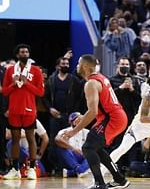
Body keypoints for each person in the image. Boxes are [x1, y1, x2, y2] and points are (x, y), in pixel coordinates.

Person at [62, 55, 129, 189]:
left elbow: (92, 112)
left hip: (112, 118)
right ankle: (119, 179)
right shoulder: (101, 78)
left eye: (79, 63)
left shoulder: (91, 83)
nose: (77, 66)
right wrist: (83, 116)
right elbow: (98, 107)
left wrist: (73, 132)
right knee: (95, 148)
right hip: (116, 116)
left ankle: (100, 185)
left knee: (87, 147)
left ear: (86, 66)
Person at [2, 44, 45, 180]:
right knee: (15, 139)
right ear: (17, 55)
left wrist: (27, 83)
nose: (25, 54)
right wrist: (12, 84)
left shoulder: (36, 70)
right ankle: (15, 169)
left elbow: (41, 92)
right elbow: (4, 92)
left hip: (29, 109)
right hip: (14, 110)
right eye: (22, 52)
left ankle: (31, 168)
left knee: (31, 138)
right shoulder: (10, 71)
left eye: (27, 52)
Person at [54, 112, 90, 177]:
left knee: (92, 154)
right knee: (62, 149)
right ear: (70, 122)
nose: (77, 121)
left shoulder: (87, 132)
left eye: (79, 119)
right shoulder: (65, 131)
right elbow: (57, 140)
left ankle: (72, 172)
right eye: (74, 120)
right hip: (71, 157)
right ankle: (79, 170)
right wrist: (73, 148)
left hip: (83, 157)